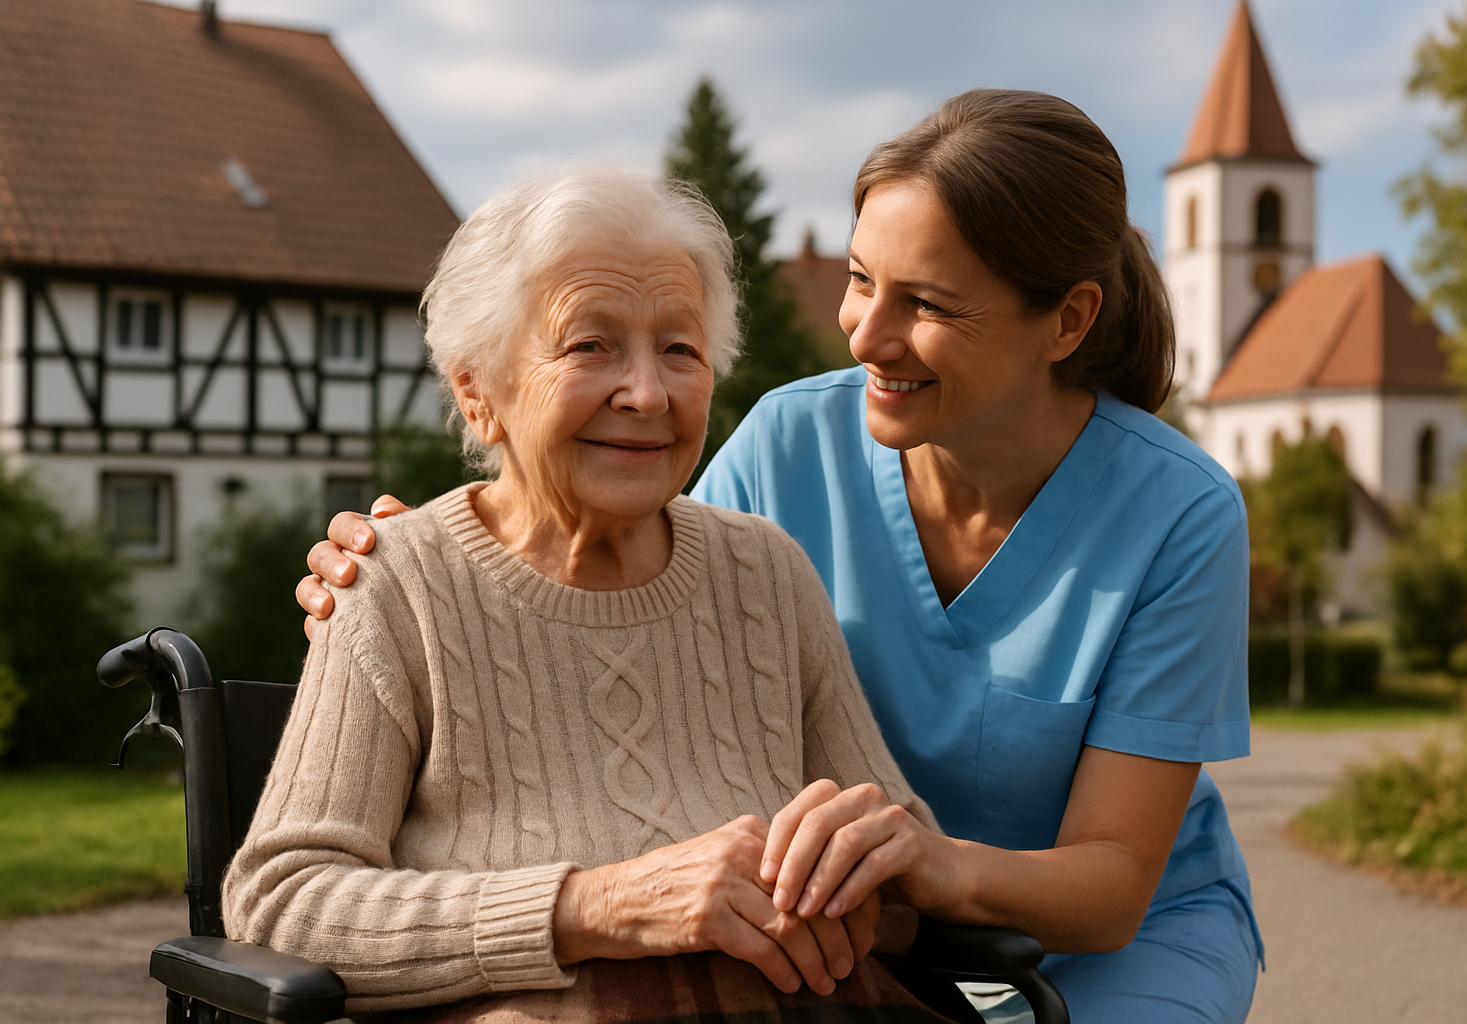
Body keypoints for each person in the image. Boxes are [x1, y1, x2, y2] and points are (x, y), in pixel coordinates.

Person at [302, 91, 1262, 1024]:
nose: (866, 335)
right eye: (859, 279)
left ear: (1067, 320)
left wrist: (930, 864)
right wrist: (439, 552)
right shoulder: (787, 443)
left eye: (925, 302)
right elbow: (623, 577)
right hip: (872, 927)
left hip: (1103, 940)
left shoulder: (1178, 514)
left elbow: (1112, 886)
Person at [227, 167, 961, 1023]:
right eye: (590, 345)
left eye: (680, 350)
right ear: (477, 392)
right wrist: (596, 906)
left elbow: (909, 880)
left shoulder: (769, 573)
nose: (647, 393)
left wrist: (862, 870)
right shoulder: (395, 585)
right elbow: (283, 901)